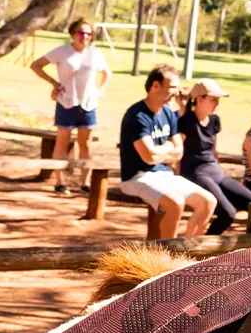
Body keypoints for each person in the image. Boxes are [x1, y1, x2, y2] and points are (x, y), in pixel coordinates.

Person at [117, 65, 214, 239]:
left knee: (208, 202)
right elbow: (149, 157)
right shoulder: (137, 116)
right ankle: (166, 256)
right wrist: (168, 147)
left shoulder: (168, 113)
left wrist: (163, 151)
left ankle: (185, 250)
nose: (177, 92)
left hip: (164, 173)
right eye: (172, 87)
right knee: (175, 203)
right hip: (137, 177)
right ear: (155, 86)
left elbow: (179, 153)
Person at [29, 18, 111, 194]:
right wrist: (53, 82)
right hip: (66, 102)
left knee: (85, 145)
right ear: (73, 34)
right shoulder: (62, 51)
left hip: (88, 105)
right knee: (62, 143)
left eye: (89, 33)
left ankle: (85, 183)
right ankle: (59, 182)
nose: (85, 37)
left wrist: (100, 90)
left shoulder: (95, 54)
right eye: (81, 33)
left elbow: (106, 73)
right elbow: (36, 65)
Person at [178, 78, 251, 234]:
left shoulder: (214, 120)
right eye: (213, 100)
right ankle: (202, 247)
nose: (217, 104)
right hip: (195, 173)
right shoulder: (186, 121)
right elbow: (177, 152)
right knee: (228, 212)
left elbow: (214, 151)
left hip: (215, 172)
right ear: (200, 99)